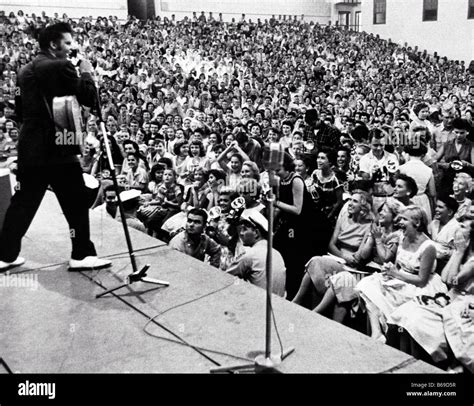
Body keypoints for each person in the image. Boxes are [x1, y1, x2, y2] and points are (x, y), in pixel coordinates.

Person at [0, 22, 111, 271]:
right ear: (54, 44)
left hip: (31, 147)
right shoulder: (62, 66)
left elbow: (18, 109)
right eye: (68, 43)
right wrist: (85, 70)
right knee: (75, 202)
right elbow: (88, 96)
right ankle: (81, 254)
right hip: (61, 145)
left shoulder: (23, 71)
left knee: (23, 202)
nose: (72, 48)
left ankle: (5, 255)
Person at [356, 206, 447, 342]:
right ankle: (377, 333)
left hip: (418, 285)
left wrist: (395, 274)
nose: (400, 222)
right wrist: (389, 266)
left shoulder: (428, 247)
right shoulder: (402, 236)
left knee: (379, 293)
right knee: (366, 284)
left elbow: (421, 280)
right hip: (400, 277)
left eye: (404, 219)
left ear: (417, 223)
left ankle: (385, 335)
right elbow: (389, 255)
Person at [226, 210, 286, 297]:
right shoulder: (277, 254)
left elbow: (225, 278)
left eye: (245, 229)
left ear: (256, 233)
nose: (241, 233)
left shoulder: (250, 255)